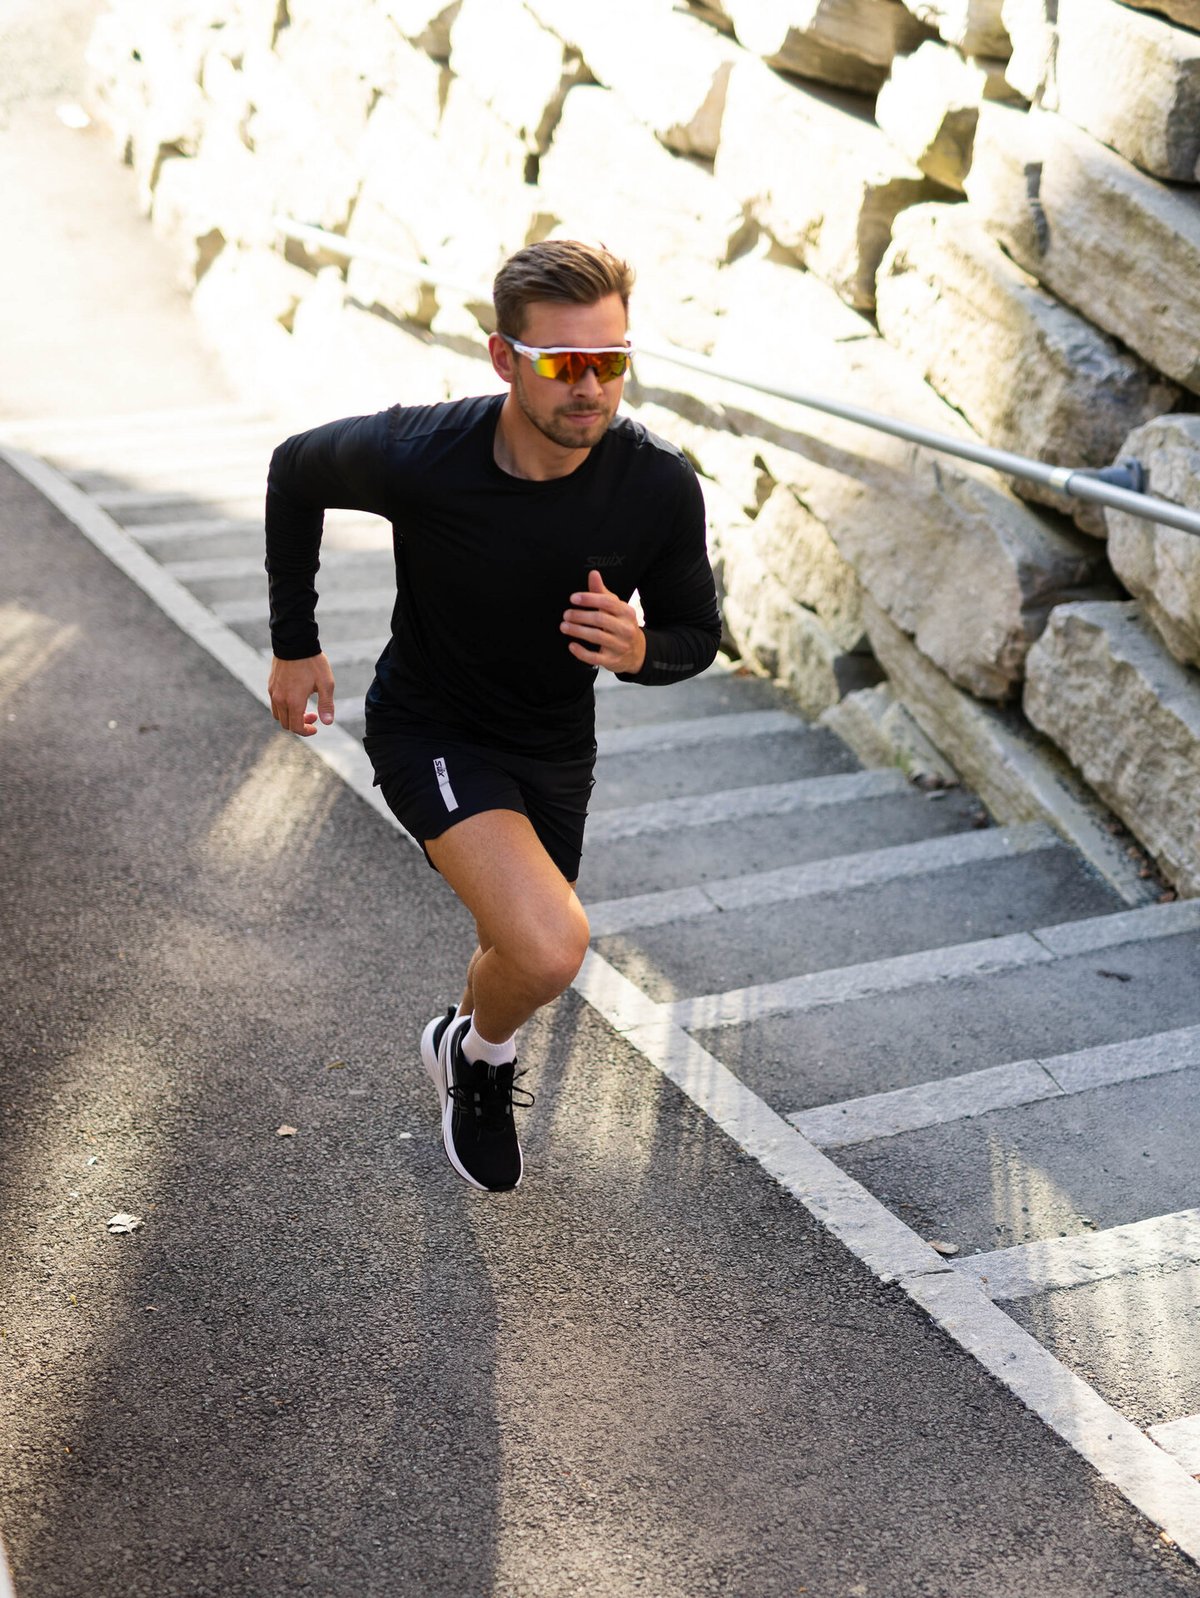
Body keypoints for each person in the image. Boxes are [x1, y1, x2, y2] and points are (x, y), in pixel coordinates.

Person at [264, 239, 721, 1193]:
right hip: (430, 729)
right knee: (553, 944)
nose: (590, 387)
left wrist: (641, 651)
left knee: (519, 948)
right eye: (563, 363)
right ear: (503, 358)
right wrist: (296, 642)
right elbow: (293, 471)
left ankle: (461, 1036)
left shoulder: (656, 488)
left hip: (554, 748)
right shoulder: (424, 455)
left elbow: (695, 636)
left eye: (611, 361)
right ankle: (483, 1062)